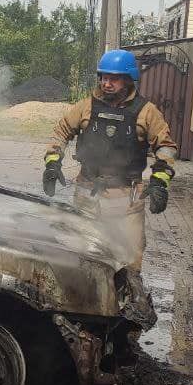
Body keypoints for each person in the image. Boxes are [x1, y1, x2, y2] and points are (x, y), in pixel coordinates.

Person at [42, 49, 177, 271]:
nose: (106, 83)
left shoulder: (146, 112)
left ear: (128, 79)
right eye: (104, 77)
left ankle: (128, 302)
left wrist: (160, 182)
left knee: (129, 258)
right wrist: (52, 163)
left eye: (113, 78)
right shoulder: (86, 106)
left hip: (126, 198)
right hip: (87, 192)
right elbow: (61, 131)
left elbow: (165, 147)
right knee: (83, 254)